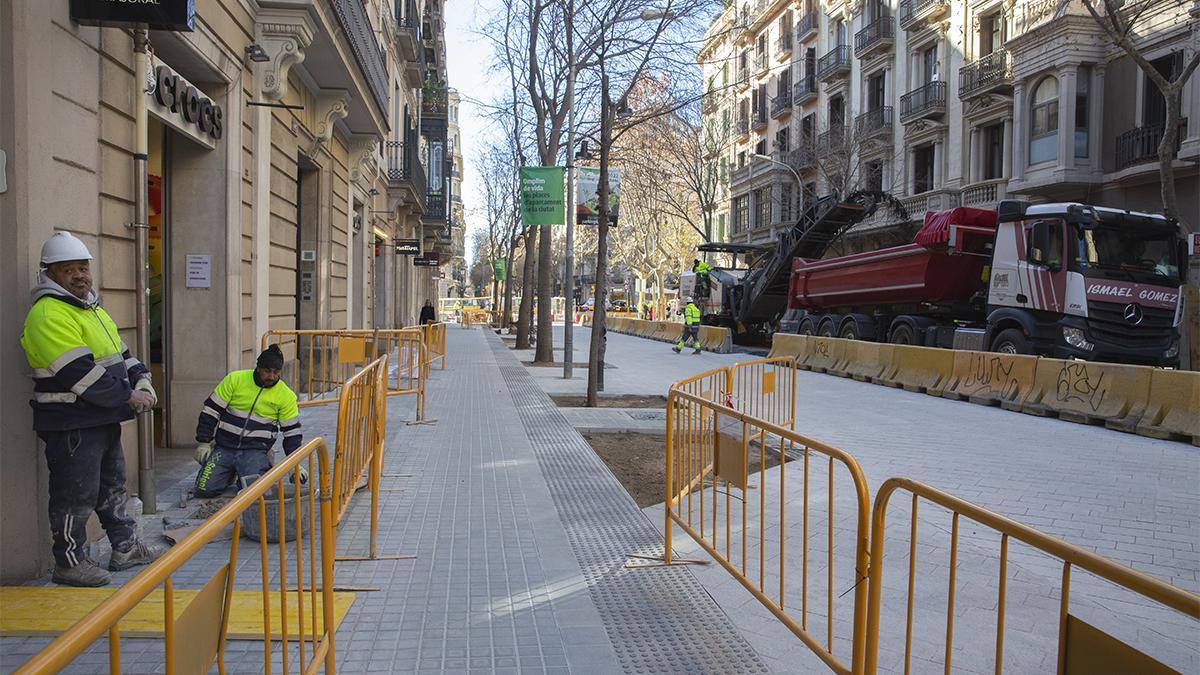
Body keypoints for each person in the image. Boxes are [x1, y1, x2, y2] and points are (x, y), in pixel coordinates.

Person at [21, 232, 166, 587]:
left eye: (82, 267)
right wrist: (130, 396)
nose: (79, 275)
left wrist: (142, 379)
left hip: (100, 418)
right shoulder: (48, 314)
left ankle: (125, 547)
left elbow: (122, 354)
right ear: (50, 274)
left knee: (111, 486)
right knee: (75, 494)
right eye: (68, 270)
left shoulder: (91, 309)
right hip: (72, 422)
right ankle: (69, 563)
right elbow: (80, 375)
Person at [193, 345, 304, 498]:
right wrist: (204, 442)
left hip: (255, 450)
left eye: (276, 372)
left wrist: (294, 464)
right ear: (258, 368)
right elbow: (210, 412)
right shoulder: (235, 379)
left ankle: (258, 465)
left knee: (255, 493)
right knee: (204, 490)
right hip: (225, 447)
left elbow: (292, 433)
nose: (271, 377)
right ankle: (231, 472)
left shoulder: (286, 396)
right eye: (267, 371)